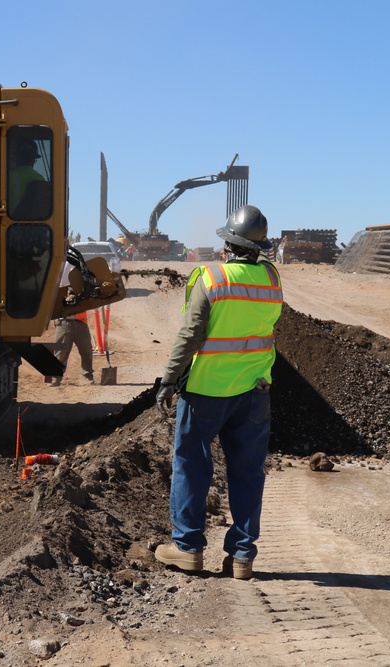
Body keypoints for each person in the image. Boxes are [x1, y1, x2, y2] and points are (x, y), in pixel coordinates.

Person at [153, 205, 283, 580]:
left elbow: (189, 334)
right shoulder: (271, 278)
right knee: (247, 472)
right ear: (259, 247)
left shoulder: (210, 277)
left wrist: (167, 380)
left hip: (207, 390)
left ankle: (187, 548)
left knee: (192, 465)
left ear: (227, 243)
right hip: (255, 390)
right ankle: (242, 556)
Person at [49, 310, 95, 386]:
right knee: (60, 352)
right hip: (63, 322)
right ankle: (56, 377)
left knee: (86, 351)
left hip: (81, 323)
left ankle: (88, 375)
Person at [9, 139, 46, 213]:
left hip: (9, 220)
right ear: (33, 160)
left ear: (17, 158)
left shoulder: (8, 177)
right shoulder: (40, 178)